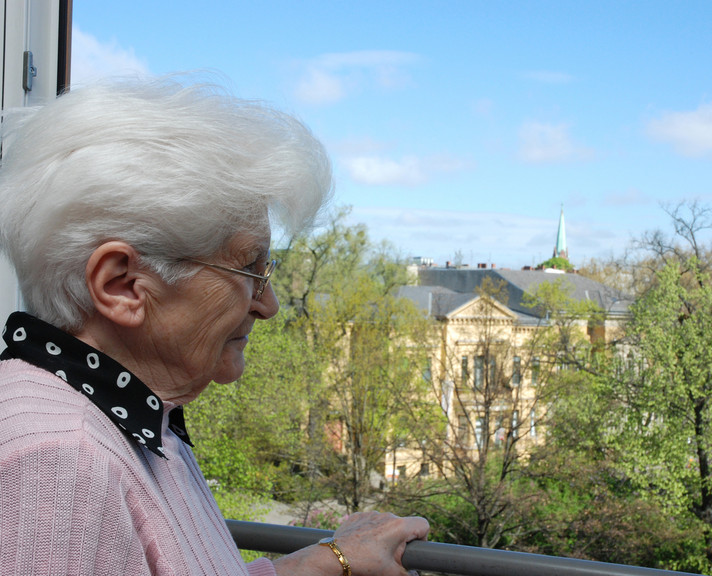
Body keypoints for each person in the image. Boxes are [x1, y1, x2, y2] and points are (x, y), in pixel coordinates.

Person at [0, 77, 428, 575]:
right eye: (250, 269)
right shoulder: (59, 463)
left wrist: (327, 560)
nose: (268, 305)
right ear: (123, 284)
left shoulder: (126, 420)